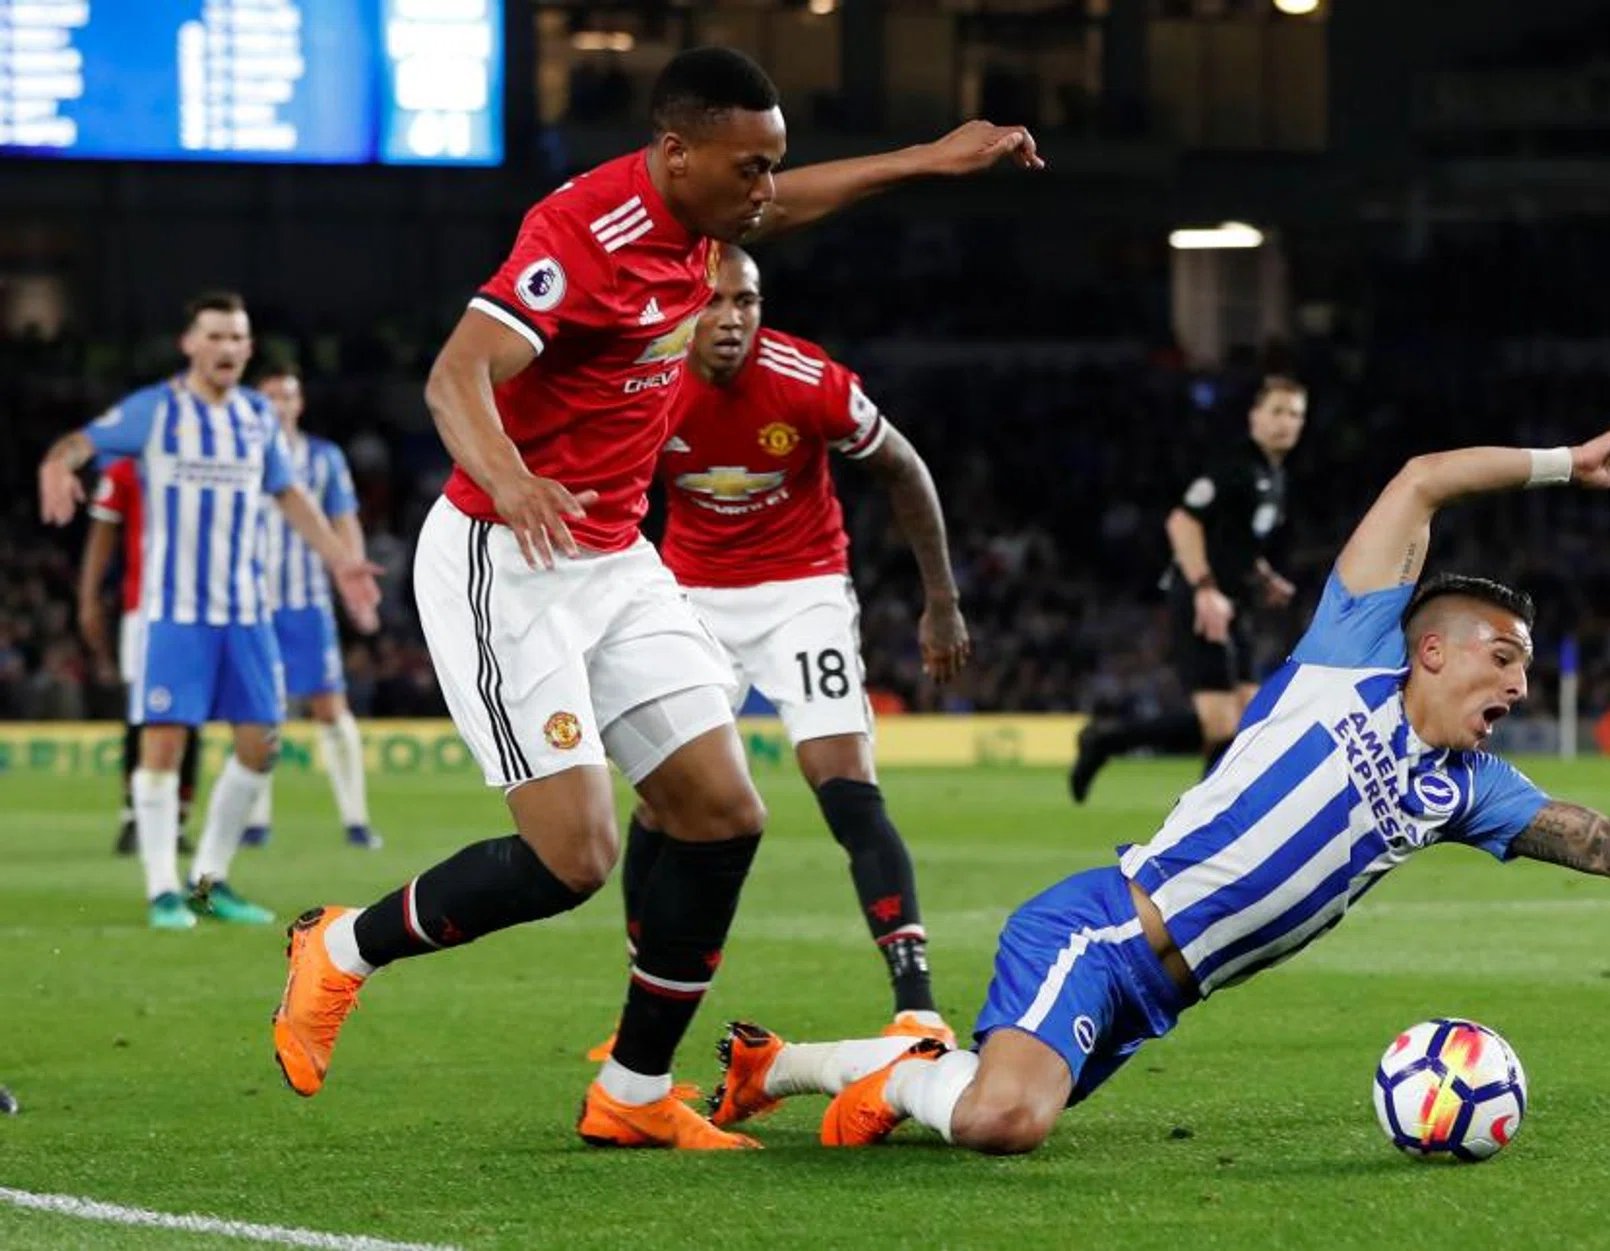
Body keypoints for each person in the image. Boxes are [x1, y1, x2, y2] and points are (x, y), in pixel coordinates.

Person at [267, 46, 1040, 1150]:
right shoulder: (583, 236)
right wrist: (515, 477)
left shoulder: (707, 222)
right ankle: (339, 949)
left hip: (617, 556)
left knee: (723, 814)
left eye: (772, 167)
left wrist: (931, 158)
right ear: (677, 154)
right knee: (573, 858)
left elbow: (799, 201)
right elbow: (456, 373)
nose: (767, 189)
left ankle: (631, 1094)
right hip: (505, 552)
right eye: (751, 168)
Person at [705, 431, 1610, 1154]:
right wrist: (1560, 463)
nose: (1518, 686)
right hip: (1104, 929)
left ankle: (786, 1066)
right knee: (1003, 1120)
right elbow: (1422, 480)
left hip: (1156, 999)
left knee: (985, 1098)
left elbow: (1609, 847)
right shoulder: (1348, 655)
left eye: (1527, 672)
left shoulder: (1466, 791)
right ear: (1430, 650)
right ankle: (887, 1079)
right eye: (1503, 659)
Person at [586, 245, 968, 1064]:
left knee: (847, 789)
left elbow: (905, 469)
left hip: (803, 591)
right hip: (689, 597)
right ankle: (638, 1010)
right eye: (714, 302)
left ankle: (917, 1006)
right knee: (665, 805)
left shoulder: (808, 381)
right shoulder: (647, 385)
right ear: (685, 305)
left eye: (746, 303)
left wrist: (941, 600)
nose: (731, 321)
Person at [37, 291, 382, 930]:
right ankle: (162, 888)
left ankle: (208, 882)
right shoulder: (156, 410)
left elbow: (292, 497)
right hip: (176, 612)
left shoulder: (255, 417)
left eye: (236, 338)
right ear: (189, 345)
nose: (226, 348)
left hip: (248, 613)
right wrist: (58, 465)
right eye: (215, 337)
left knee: (261, 745)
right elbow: (81, 441)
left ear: (248, 349)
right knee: (164, 745)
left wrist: (341, 561)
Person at [1072, 376, 1307, 802]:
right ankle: (1202, 827)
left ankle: (1108, 739)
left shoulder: (1274, 478)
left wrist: (1264, 574)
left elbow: (1235, 540)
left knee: (1250, 723)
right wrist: (1204, 588)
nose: (1285, 422)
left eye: (1294, 414)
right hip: (1203, 600)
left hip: (1237, 603)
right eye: (1276, 411)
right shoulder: (1233, 465)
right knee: (1221, 727)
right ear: (1254, 417)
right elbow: (1182, 523)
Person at [239, 362, 380, 850]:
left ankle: (356, 820)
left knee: (329, 707)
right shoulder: (238, 453)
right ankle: (255, 820)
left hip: (306, 603)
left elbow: (344, 520)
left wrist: (354, 581)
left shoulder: (324, 458)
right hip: (250, 602)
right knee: (258, 710)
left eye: (288, 396)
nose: (281, 405)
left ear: (300, 403)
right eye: (271, 396)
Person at [79, 458, 200, 857]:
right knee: (144, 715)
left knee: (190, 717)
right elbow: (103, 531)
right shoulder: (127, 468)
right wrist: (89, 597)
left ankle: (178, 818)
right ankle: (135, 816)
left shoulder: (211, 460)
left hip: (207, 611)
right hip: (145, 611)